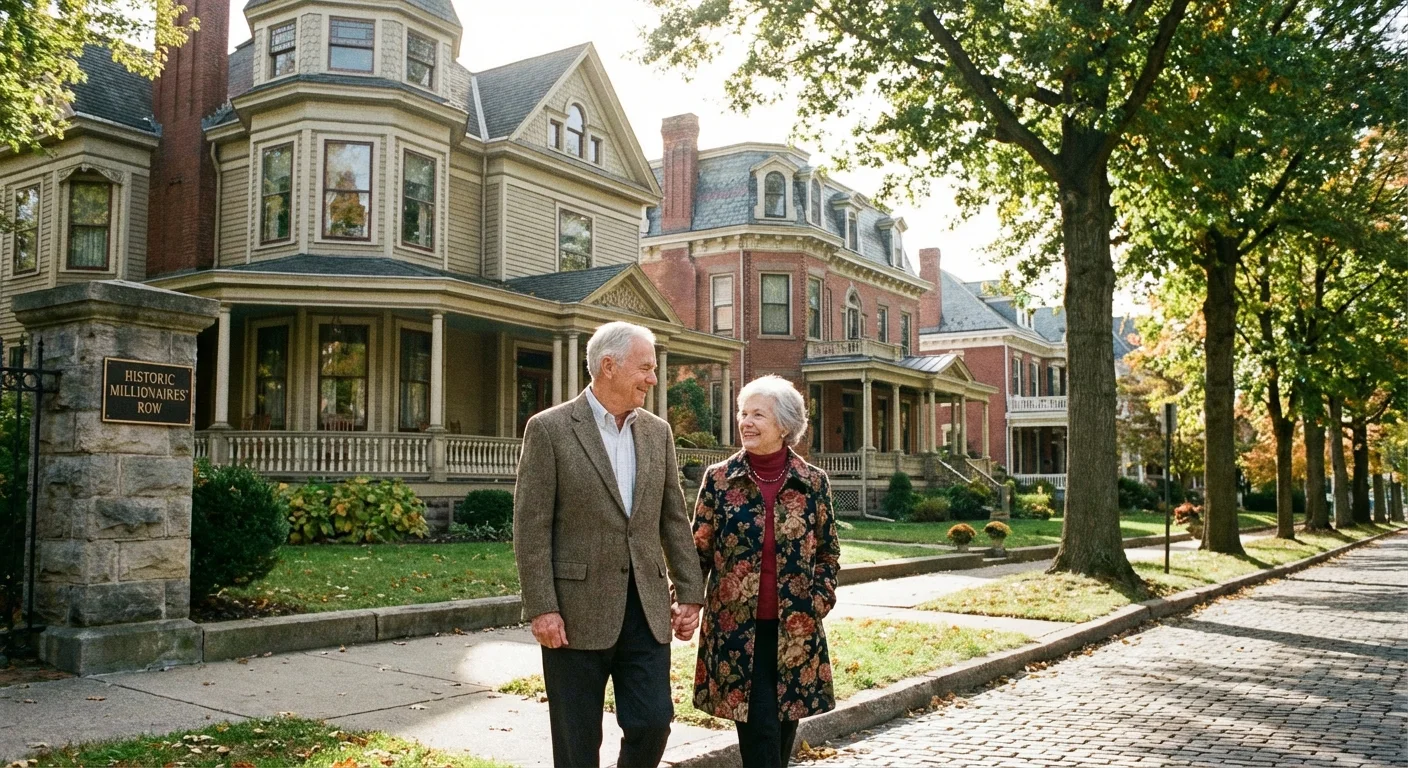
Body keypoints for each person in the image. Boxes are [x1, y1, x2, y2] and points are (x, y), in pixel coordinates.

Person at [513, 321, 705, 768]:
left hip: (646, 609)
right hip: (574, 615)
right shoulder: (549, 429)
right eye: (646, 368)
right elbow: (530, 527)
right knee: (577, 743)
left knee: (653, 723)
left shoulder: (658, 433)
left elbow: (674, 518)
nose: (653, 379)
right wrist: (541, 606)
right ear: (608, 366)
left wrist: (691, 593)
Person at [690, 374, 841, 768]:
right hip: (737, 631)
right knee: (761, 733)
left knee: (781, 730)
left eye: (758, 414)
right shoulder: (719, 480)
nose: (746, 421)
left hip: (795, 630)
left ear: (785, 425)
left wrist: (818, 602)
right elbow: (698, 551)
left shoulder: (813, 482)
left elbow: (828, 552)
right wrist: (686, 602)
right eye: (743, 412)